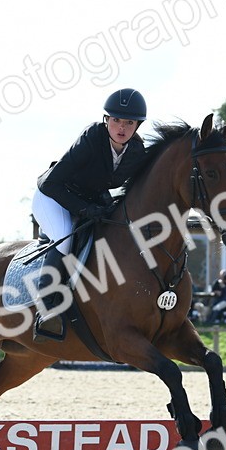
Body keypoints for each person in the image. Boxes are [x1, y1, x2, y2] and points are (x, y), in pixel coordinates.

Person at [30, 88, 149, 340]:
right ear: (107, 119)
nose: (122, 127)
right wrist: (85, 209)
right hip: (53, 196)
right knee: (65, 237)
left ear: (137, 126)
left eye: (129, 122)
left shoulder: (137, 151)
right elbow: (51, 183)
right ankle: (46, 308)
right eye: (116, 119)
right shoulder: (93, 137)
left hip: (89, 199)